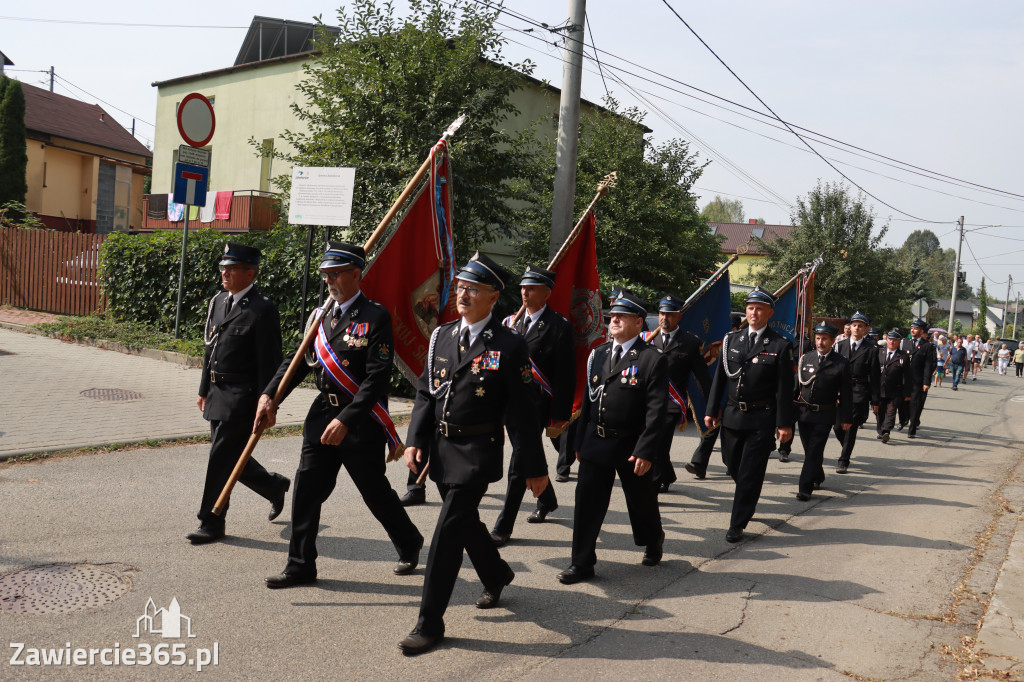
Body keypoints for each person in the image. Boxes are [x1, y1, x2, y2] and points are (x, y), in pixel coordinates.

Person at [399, 252, 548, 656]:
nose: (462, 294)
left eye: (473, 289)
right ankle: (496, 573)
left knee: (447, 533)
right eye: (461, 287)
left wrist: (535, 467)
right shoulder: (442, 335)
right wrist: (415, 438)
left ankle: (429, 623)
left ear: (493, 297)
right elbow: (427, 393)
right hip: (442, 448)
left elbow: (522, 413)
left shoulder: (509, 344)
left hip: (478, 452)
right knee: (463, 523)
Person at [256, 242, 423, 589]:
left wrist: (347, 418)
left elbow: (377, 378)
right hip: (322, 417)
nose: (329, 280)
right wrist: (270, 395)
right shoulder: (320, 316)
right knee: (305, 490)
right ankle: (300, 564)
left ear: (355, 274)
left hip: (360, 422)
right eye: (325, 275)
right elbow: (298, 361)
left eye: (335, 273)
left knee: (374, 491)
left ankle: (409, 541)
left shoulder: (375, 316)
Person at [557, 292, 667, 584]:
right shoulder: (600, 353)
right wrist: (579, 442)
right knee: (587, 502)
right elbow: (589, 403)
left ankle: (653, 537)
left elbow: (656, 411)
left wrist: (646, 450)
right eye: (612, 316)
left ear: (638, 322)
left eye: (621, 316)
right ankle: (581, 563)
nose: (613, 320)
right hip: (597, 441)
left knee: (641, 501)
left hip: (631, 445)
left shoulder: (651, 359)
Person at [188, 242, 290, 545]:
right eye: (223, 267)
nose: (225, 272)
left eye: (232, 268)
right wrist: (204, 388)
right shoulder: (219, 301)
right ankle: (273, 486)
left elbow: (270, 362)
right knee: (230, 456)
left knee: (220, 457)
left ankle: (211, 521)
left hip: (243, 397)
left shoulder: (262, 309)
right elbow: (211, 349)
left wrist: (268, 401)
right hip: (218, 392)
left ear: (251, 272)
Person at [491, 265, 574, 545]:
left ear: (547, 293)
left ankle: (504, 525)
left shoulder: (558, 326)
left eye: (532, 288)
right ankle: (547, 499)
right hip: (506, 403)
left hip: (536, 404)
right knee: (524, 454)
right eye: (523, 288)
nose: (524, 292)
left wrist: (560, 415)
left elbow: (565, 374)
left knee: (518, 463)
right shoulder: (510, 323)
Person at [705, 287, 794, 543]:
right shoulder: (731, 341)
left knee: (749, 473)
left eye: (759, 309)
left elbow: (783, 390)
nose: (754, 313)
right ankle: (748, 495)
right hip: (733, 415)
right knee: (731, 464)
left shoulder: (780, 345)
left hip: (761, 418)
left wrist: (784, 424)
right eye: (751, 308)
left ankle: (737, 523)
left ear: (769, 313)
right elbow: (720, 380)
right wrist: (712, 410)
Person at [646, 294, 711, 494]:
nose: (664, 317)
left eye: (670, 314)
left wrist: (712, 405)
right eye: (662, 313)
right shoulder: (648, 339)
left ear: (679, 317)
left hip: (672, 403)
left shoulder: (690, 342)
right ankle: (668, 475)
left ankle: (653, 485)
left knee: (659, 443)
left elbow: (702, 376)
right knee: (652, 443)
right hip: (647, 401)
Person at [794, 323, 852, 499]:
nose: (820, 342)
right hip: (804, 413)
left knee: (814, 450)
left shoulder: (841, 363)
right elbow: (796, 387)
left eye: (824, 339)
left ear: (833, 341)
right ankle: (817, 475)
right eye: (818, 338)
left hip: (825, 414)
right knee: (809, 450)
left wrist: (846, 417)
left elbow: (847, 393)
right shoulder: (805, 358)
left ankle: (804, 488)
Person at [832, 312, 880, 474]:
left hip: (859, 391)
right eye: (854, 325)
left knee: (851, 428)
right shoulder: (840, 345)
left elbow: (874, 376)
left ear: (866, 329)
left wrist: (875, 400)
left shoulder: (871, 350)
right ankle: (846, 446)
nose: (856, 328)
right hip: (840, 390)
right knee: (838, 427)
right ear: (850, 327)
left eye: (860, 326)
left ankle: (843, 460)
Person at [774, 334, 814, 463]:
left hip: (795, 382)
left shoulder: (804, 342)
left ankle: (784, 449)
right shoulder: (775, 337)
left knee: (789, 417)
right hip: (775, 382)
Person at [898, 320, 937, 439]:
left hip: (917, 381)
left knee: (915, 405)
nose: (912, 330)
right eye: (911, 328)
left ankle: (912, 428)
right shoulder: (904, 342)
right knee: (902, 403)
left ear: (921, 331)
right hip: (903, 379)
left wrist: (926, 382)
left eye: (915, 328)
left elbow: (928, 365)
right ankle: (903, 419)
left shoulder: (927, 346)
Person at [876, 330, 908, 443]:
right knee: (879, 411)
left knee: (891, 411)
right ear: (887, 340)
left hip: (895, 390)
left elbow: (907, 375)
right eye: (890, 339)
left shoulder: (903, 356)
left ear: (899, 342)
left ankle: (886, 431)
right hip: (879, 389)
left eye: (895, 340)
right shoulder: (879, 353)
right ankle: (880, 431)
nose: (892, 342)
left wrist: (907, 392)